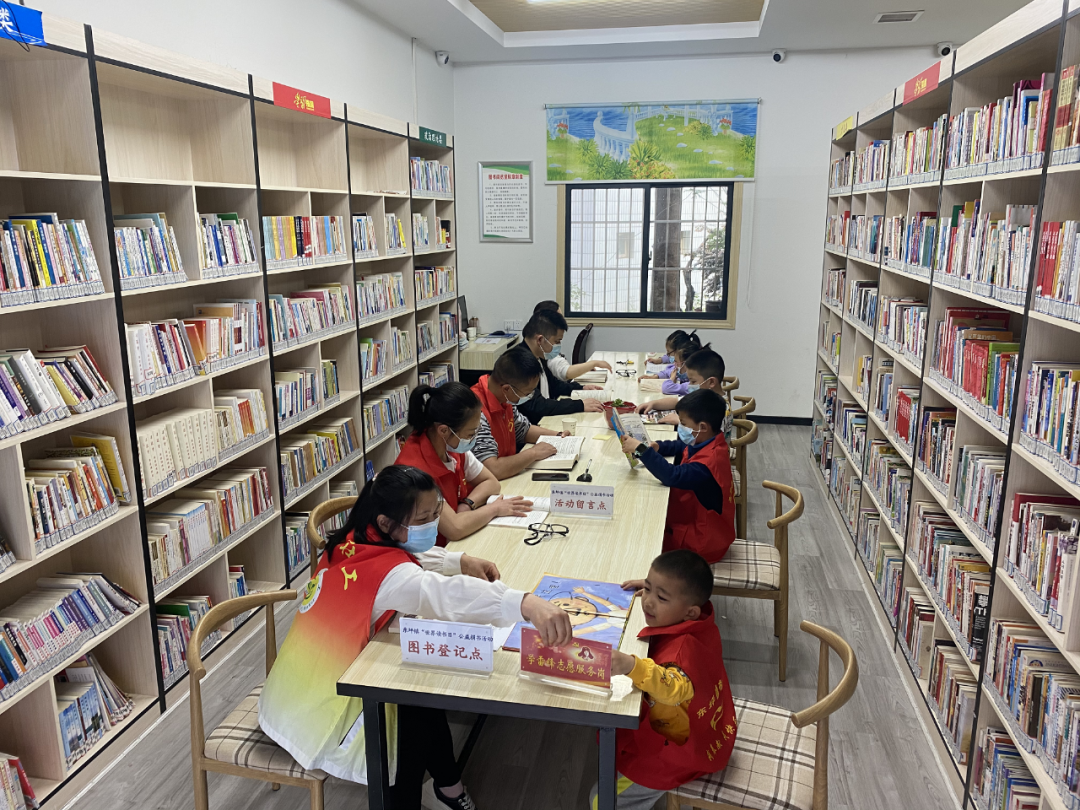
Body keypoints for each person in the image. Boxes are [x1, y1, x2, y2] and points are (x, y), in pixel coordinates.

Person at [258, 466, 573, 810]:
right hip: (318, 710)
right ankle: (429, 793)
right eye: (424, 518)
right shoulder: (390, 578)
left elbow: (407, 557)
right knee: (411, 709)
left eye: (436, 512)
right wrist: (524, 603)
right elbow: (440, 593)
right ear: (385, 522)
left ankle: (448, 788)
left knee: (418, 691)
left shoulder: (352, 540)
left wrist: (459, 560)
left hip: (292, 687)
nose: (434, 524)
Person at [588, 549, 736, 810]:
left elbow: (673, 686)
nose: (648, 602)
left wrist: (631, 665)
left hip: (680, 757)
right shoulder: (701, 623)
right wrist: (659, 591)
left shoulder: (680, 654)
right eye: (647, 589)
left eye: (661, 597)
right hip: (710, 732)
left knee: (601, 801)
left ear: (690, 612)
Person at [394, 381, 534, 544]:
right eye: (470, 434)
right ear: (444, 430)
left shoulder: (450, 444)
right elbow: (455, 528)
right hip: (430, 550)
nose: (473, 439)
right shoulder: (415, 470)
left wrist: (467, 505)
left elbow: (491, 482)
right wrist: (495, 509)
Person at [619, 389, 735, 563]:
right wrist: (658, 447)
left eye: (683, 423)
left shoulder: (707, 465)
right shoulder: (709, 441)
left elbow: (671, 476)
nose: (681, 427)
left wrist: (642, 450)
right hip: (696, 524)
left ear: (702, 427)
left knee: (639, 541)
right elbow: (682, 447)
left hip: (702, 543)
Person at [471, 349, 563, 479]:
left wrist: (559, 436)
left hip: (509, 475)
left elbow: (523, 430)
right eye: (527, 393)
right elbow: (492, 469)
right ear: (507, 389)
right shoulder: (475, 411)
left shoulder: (504, 398)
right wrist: (533, 453)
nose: (530, 396)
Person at [509, 309, 605, 424]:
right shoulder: (518, 362)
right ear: (540, 340)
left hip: (544, 419)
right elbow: (537, 405)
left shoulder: (538, 355)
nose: (558, 346)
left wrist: (581, 388)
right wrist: (579, 405)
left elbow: (554, 384)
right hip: (532, 426)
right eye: (557, 341)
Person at [638, 347, 728, 428]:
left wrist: (680, 422)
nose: (690, 385)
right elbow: (677, 401)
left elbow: (703, 435)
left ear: (711, 382)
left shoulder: (720, 409)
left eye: (693, 381)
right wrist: (653, 404)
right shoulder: (704, 396)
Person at [532, 300, 612, 382]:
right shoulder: (543, 354)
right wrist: (593, 364)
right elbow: (565, 372)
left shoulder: (546, 349)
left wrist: (584, 369)